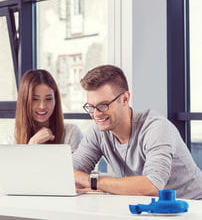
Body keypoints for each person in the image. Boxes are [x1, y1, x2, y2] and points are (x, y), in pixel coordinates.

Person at [73, 65, 202, 200]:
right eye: (91, 107)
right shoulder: (97, 131)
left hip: (192, 208)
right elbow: (70, 173)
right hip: (149, 208)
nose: (96, 114)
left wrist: (91, 182)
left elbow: (152, 187)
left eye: (103, 105)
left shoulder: (157, 128)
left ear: (125, 99)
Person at [13, 69, 82, 152]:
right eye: (35, 99)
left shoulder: (71, 133)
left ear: (55, 100)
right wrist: (32, 145)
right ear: (24, 101)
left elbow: (76, 165)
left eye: (48, 99)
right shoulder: (12, 138)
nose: (42, 106)